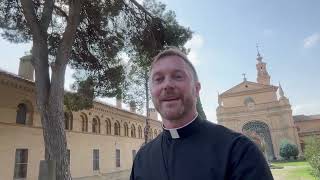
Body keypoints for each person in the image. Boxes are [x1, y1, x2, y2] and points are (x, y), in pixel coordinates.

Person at [130, 48, 274, 180]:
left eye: (178, 76)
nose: (167, 85)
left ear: (197, 89)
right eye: (158, 79)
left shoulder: (239, 151)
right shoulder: (142, 158)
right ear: (151, 92)